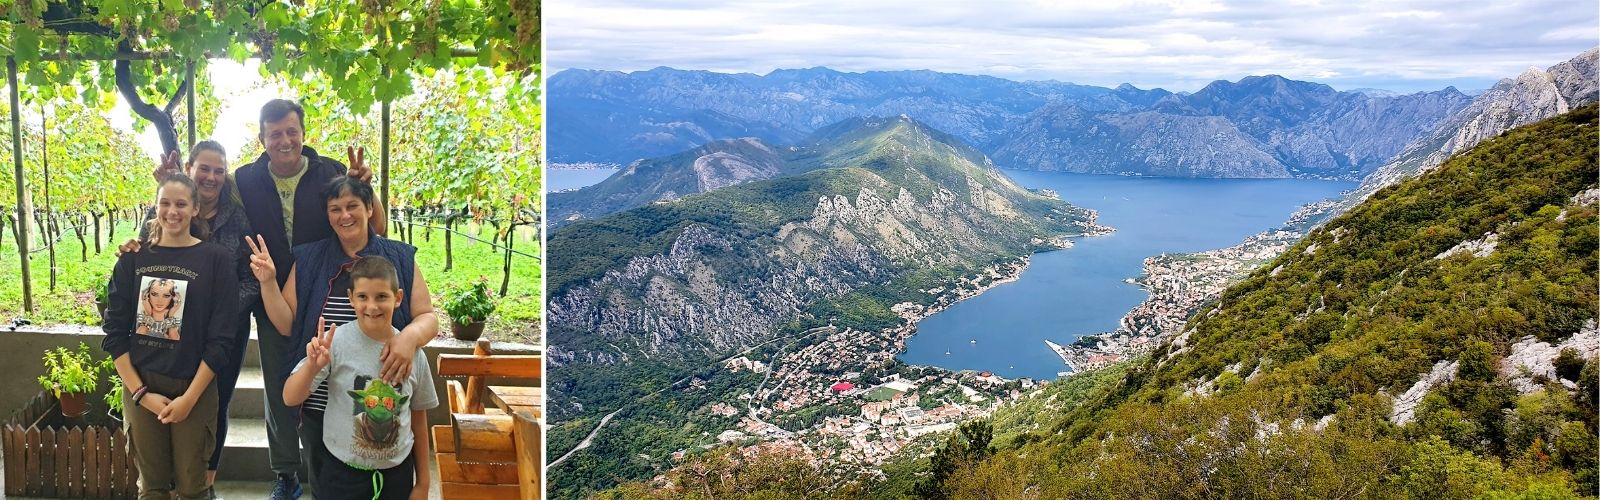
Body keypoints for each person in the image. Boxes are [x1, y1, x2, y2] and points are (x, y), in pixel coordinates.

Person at [227, 99, 395, 499]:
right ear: (262, 138)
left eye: (291, 131)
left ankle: (337, 461)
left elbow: (378, 229)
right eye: (275, 134)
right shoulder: (244, 180)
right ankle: (285, 473)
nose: (284, 140)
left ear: (303, 133)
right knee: (279, 386)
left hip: (327, 293)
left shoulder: (331, 172)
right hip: (272, 296)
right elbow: (206, 204)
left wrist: (366, 186)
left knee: (331, 380)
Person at [249, 176, 436, 495]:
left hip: (385, 403)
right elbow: (285, 324)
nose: (344, 215)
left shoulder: (399, 257)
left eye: (352, 206)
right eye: (335, 209)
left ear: (368, 208)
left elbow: (428, 317)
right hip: (323, 409)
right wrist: (268, 282)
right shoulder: (309, 259)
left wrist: (408, 338)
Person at [126, 140, 260, 492]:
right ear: (189, 169)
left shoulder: (238, 218)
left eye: (219, 170)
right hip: (163, 332)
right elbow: (145, 255)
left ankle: (204, 482)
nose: (212, 176)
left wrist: (220, 307)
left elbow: (249, 279)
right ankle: (166, 483)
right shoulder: (169, 211)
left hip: (219, 333)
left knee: (214, 404)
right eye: (204, 168)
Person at [103, 174, 238, 500]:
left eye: (181, 204)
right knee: (151, 487)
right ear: (155, 207)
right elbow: (114, 334)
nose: (172, 211)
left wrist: (189, 399)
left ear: (195, 209)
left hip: (195, 385)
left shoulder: (217, 260)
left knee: (194, 487)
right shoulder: (133, 260)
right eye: (165, 203)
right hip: (141, 382)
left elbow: (222, 340)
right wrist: (140, 395)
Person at [283, 256, 436, 499]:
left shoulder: (413, 355)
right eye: (363, 297)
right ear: (351, 298)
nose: (372, 307)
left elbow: (418, 416)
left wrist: (423, 484)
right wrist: (312, 367)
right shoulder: (336, 344)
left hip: (396, 477)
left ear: (398, 298)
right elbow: (290, 397)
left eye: (381, 297)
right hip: (340, 476)